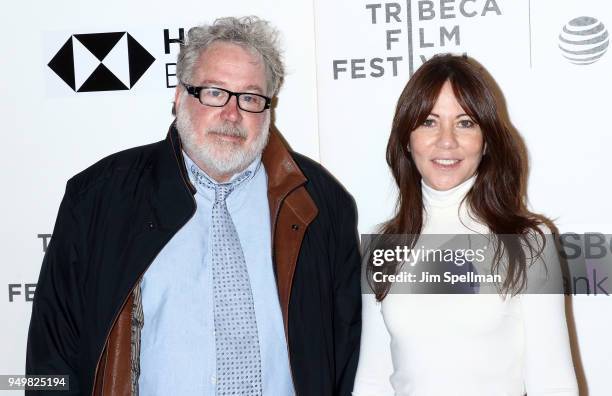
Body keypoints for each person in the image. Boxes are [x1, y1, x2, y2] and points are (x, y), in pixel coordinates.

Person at [27, 16, 361, 396]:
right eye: (214, 92)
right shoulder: (98, 198)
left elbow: (342, 356)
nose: (232, 114)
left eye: (250, 98)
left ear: (269, 109)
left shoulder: (321, 204)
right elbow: (50, 361)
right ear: (179, 96)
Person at [352, 54, 578, 395]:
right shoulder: (384, 245)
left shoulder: (527, 241)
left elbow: (554, 382)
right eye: (429, 121)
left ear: (486, 141)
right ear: (406, 138)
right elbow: (372, 380)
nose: (446, 140)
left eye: (465, 122)